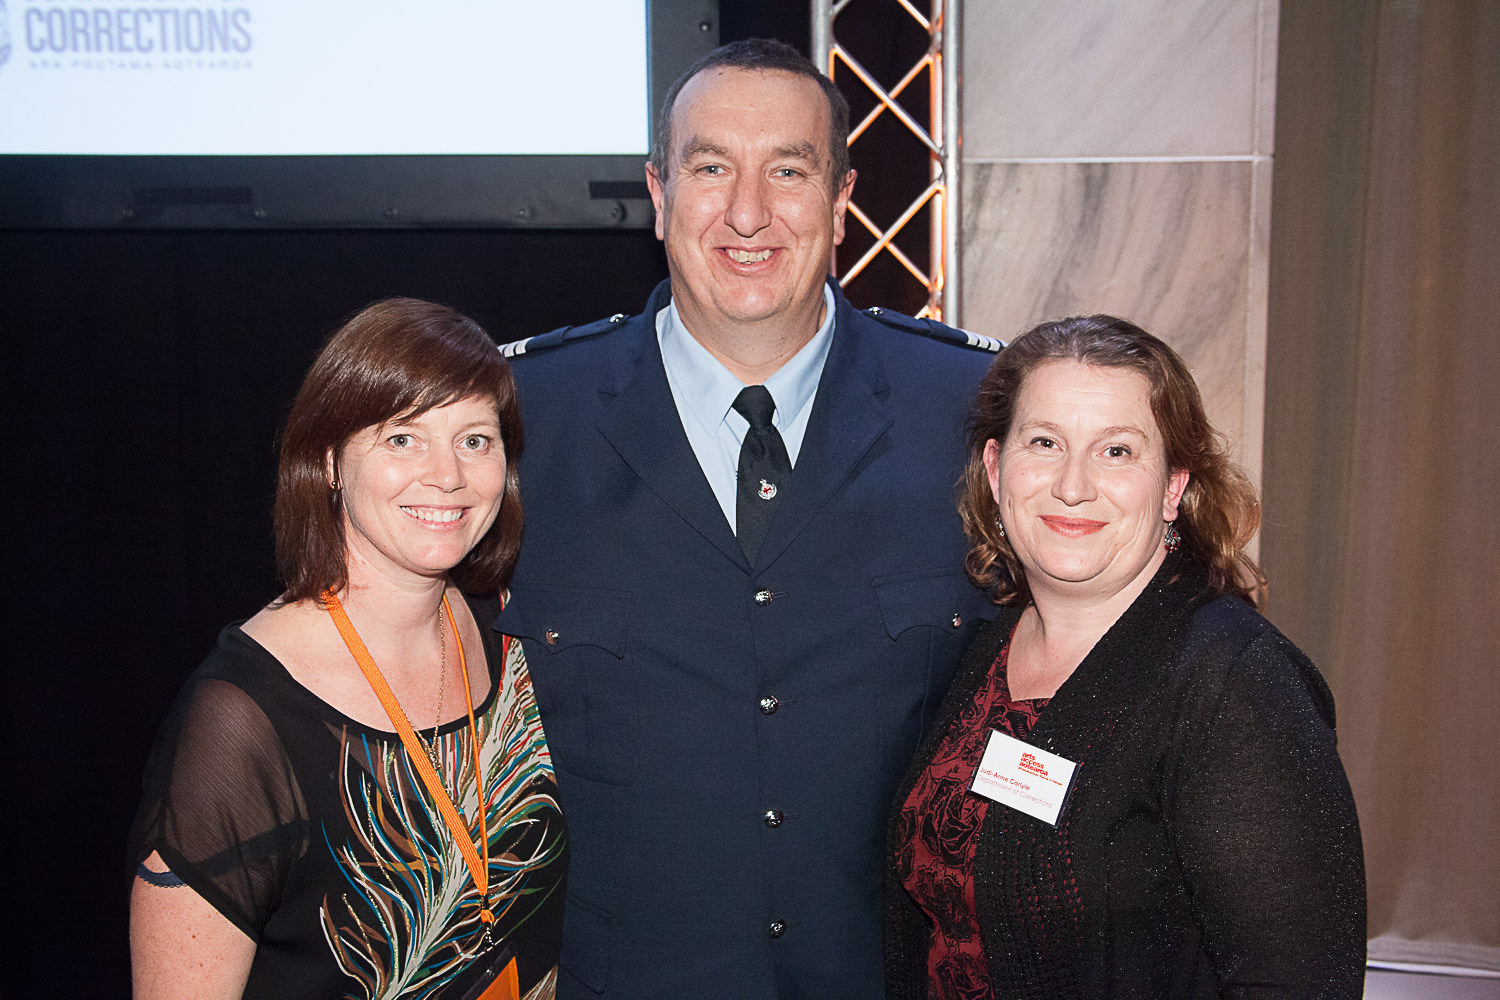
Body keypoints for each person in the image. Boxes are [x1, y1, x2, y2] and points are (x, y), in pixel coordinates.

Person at [493, 39, 1000, 999]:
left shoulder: (973, 412)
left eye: (790, 171)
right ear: (659, 190)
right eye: (712, 166)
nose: (749, 213)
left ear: (844, 199)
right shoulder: (520, 421)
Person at [884, 315, 1367, 998]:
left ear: (1173, 486)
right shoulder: (988, 644)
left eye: (1116, 452)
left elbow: (1297, 984)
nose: (1073, 485)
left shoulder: (1235, 685)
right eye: (1045, 442)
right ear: (996, 470)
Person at [129, 299, 567, 1000]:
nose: (448, 475)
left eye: (475, 439)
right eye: (402, 438)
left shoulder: (509, 632)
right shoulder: (240, 724)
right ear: (329, 460)